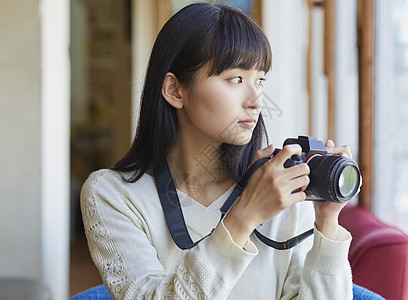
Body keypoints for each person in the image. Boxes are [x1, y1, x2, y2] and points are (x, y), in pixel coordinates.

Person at [81, 3, 353, 299]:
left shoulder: (281, 191)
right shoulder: (113, 194)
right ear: (175, 90)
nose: (256, 100)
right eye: (235, 79)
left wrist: (327, 224)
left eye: (259, 80)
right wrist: (243, 217)